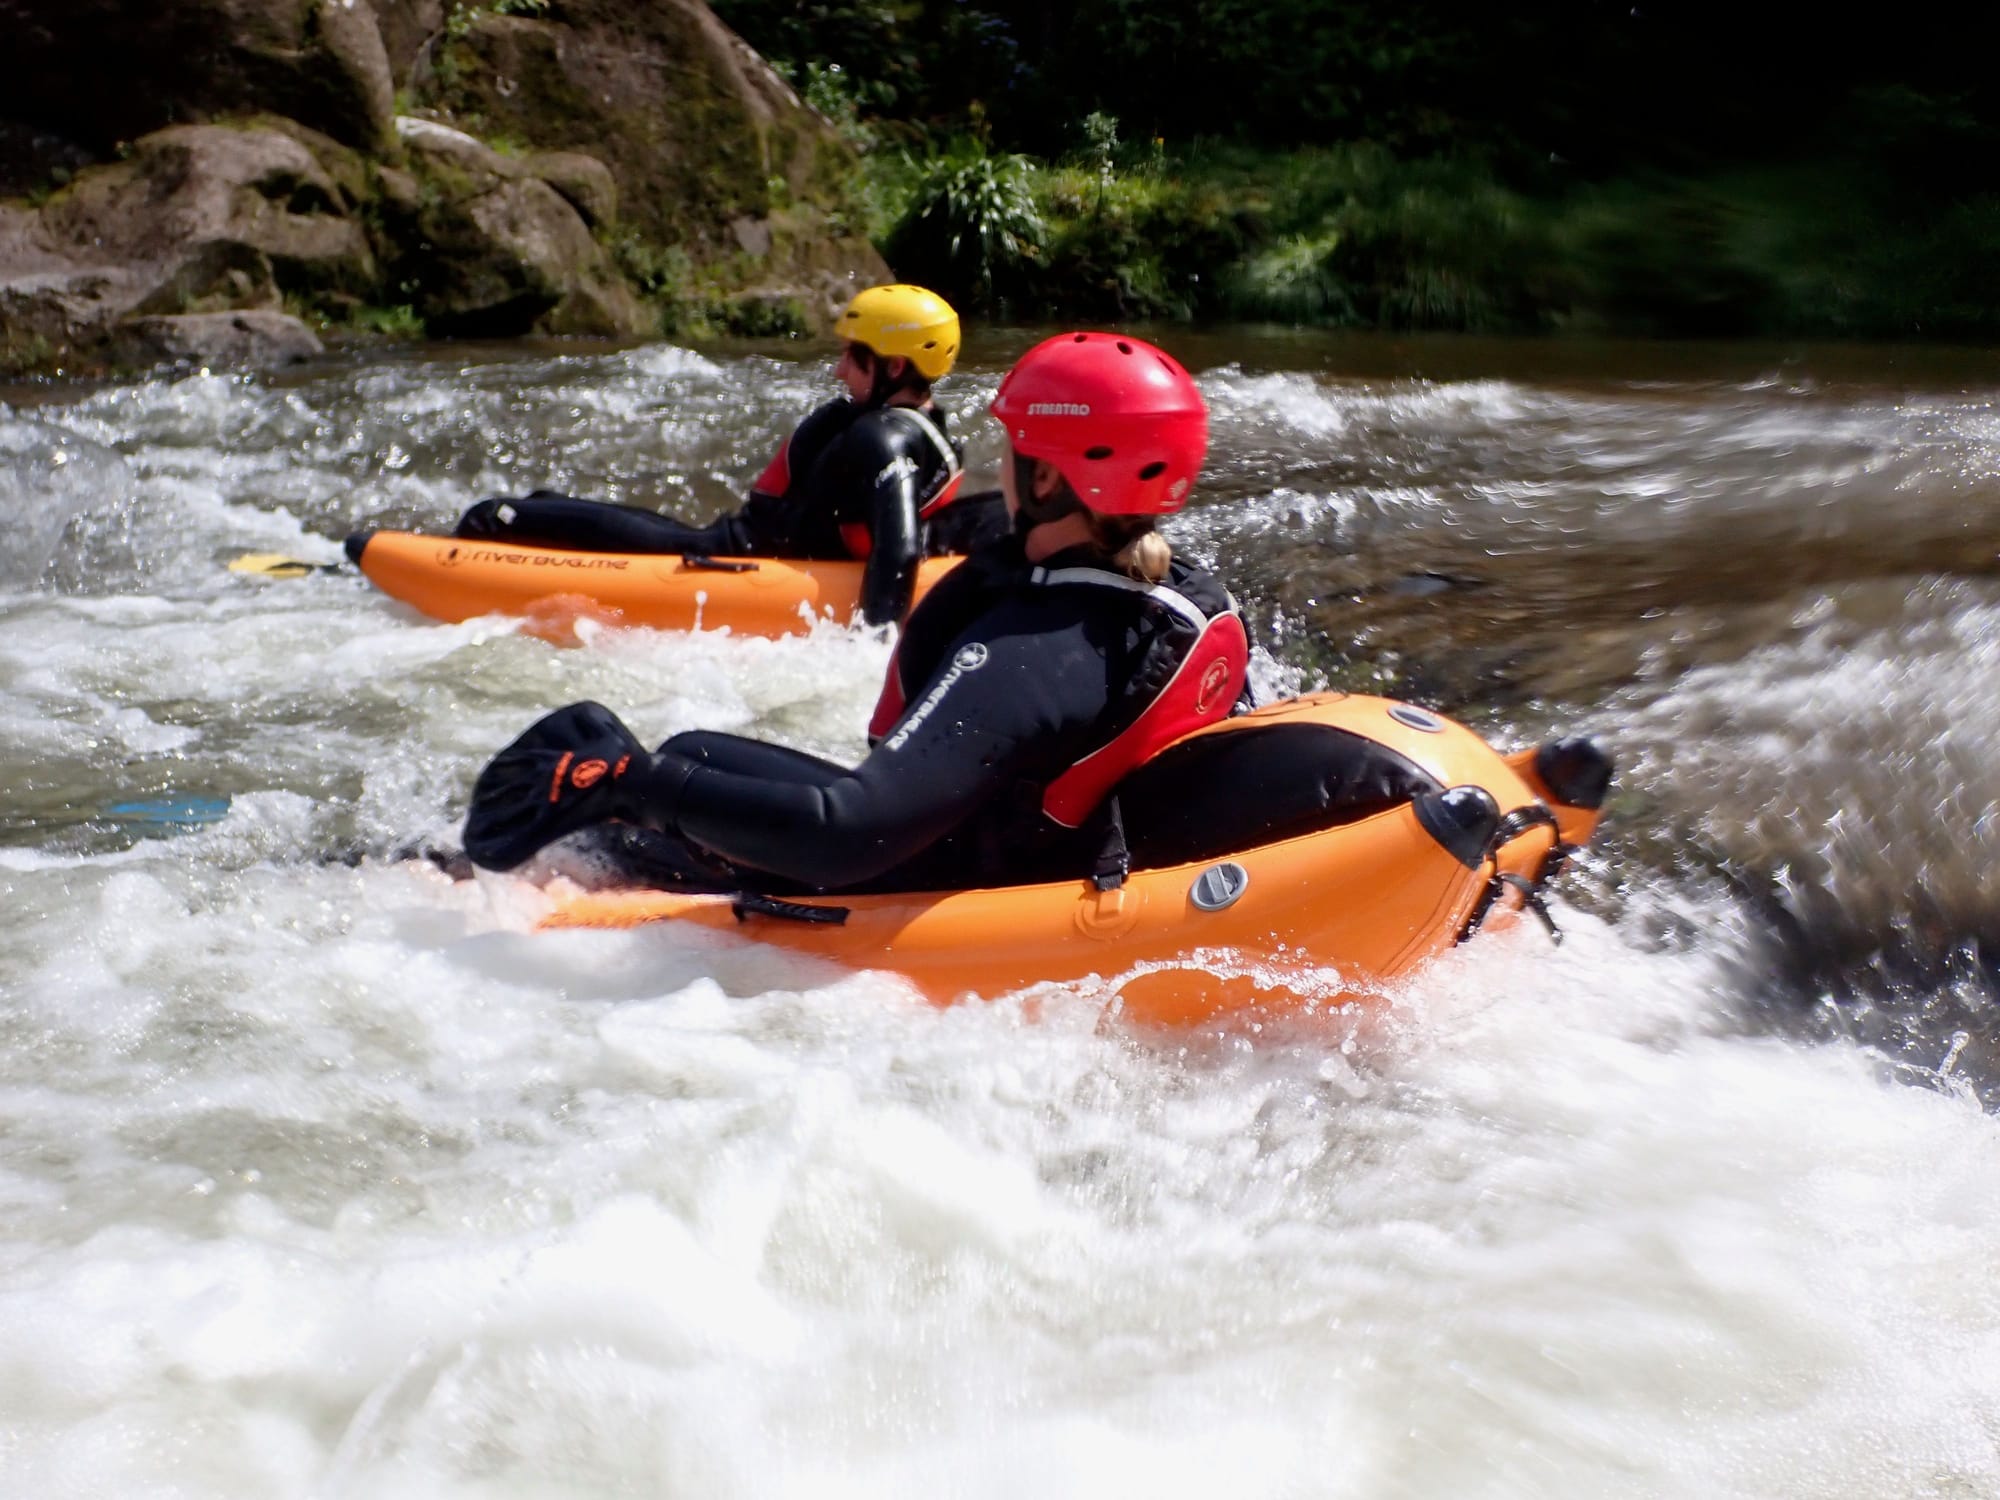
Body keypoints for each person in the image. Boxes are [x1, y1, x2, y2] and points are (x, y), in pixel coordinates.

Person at [462, 331, 1252, 894]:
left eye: (1013, 447)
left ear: (1046, 480)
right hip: (1041, 837)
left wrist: (629, 785)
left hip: (942, 873)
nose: (1001, 465)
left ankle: (446, 868)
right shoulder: (1171, 591)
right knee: (695, 750)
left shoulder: (1034, 654)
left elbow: (846, 832)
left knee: (636, 807)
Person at [452, 283, 997, 626]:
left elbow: (900, 551)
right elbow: (900, 546)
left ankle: (515, 513)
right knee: (662, 539)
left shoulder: (886, 437)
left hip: (760, 548)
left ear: (894, 367)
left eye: (854, 357)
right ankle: (513, 516)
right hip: (741, 550)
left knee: (672, 533)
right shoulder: (923, 431)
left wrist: (877, 647)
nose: (839, 370)